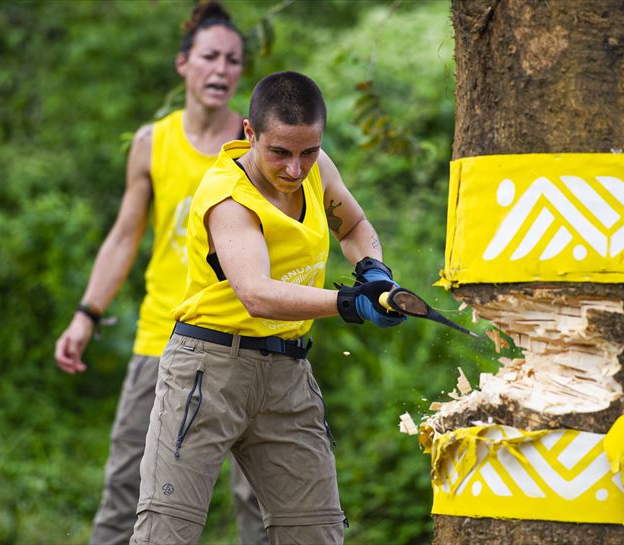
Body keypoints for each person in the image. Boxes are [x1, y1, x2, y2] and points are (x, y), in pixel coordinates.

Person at [130, 71, 406, 545]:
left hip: (287, 374)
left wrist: (374, 271)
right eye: (280, 152)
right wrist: (350, 303)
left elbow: (354, 226)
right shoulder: (227, 196)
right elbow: (256, 294)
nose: (296, 169)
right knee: (166, 534)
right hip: (207, 374)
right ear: (250, 133)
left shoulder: (318, 168)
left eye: (308, 151)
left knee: (316, 535)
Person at [53, 3, 268, 544]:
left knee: (263, 503)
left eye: (233, 60)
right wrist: (86, 314)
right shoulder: (152, 143)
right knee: (127, 491)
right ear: (183, 64)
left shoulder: (255, 147)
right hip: (162, 340)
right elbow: (125, 236)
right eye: (210, 56)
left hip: (245, 341)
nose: (221, 69)